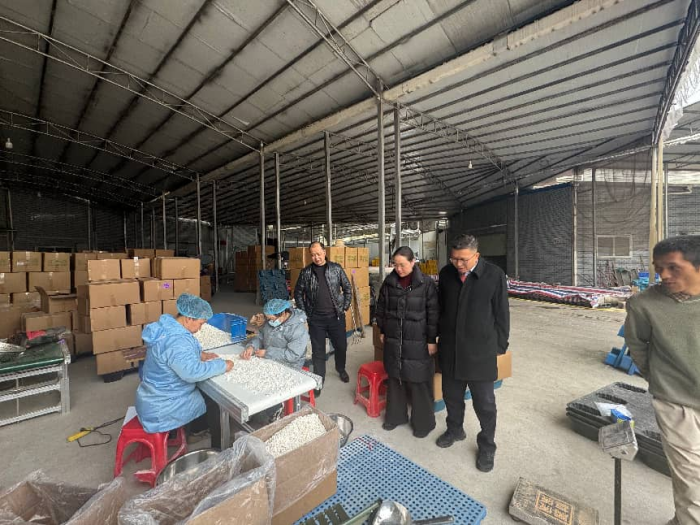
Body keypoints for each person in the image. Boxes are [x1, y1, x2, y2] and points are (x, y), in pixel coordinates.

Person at [624, 235, 700, 525]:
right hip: (676, 404)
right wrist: (658, 380)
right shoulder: (644, 304)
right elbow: (637, 345)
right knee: (692, 484)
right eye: (659, 269)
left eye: (673, 267)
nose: (663, 275)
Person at [436, 234, 509, 473]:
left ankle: (487, 445)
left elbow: (502, 313)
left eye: (464, 259)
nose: (458, 264)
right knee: (451, 396)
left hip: (480, 352)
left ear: (476, 256)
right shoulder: (446, 274)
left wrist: (499, 346)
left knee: (485, 404)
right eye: (454, 259)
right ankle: (455, 429)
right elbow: (440, 308)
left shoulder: (494, 275)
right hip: (451, 349)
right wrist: (435, 337)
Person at [135, 294, 233, 443]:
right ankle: (213, 443)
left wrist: (200, 354)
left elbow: (174, 356)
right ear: (188, 318)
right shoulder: (177, 341)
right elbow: (192, 373)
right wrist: (223, 365)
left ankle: (196, 428)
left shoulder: (167, 328)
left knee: (205, 392)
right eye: (200, 324)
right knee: (216, 401)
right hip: (164, 406)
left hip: (152, 395)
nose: (200, 329)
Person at [376, 246, 439, 438]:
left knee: (419, 381)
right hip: (394, 339)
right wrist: (382, 329)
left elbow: (433, 314)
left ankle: (423, 423)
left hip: (418, 340)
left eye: (402, 265)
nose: (399, 269)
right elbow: (381, 308)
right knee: (396, 378)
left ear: (413, 262)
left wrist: (431, 339)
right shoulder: (389, 282)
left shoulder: (426, 284)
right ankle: (396, 417)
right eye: (395, 265)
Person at [294, 241, 353, 392]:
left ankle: (341, 368)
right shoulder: (306, 272)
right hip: (316, 320)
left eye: (319, 254)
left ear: (324, 252)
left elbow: (347, 288)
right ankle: (319, 380)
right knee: (318, 351)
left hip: (336, 317)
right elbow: (298, 293)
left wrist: (344, 307)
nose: (316, 257)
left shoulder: (336, 269)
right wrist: (306, 314)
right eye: (313, 255)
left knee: (341, 346)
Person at [241, 299, 309, 370]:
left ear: (283, 313)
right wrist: (252, 347)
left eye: (272, 319)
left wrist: (267, 353)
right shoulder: (272, 321)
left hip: (289, 366)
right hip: (269, 359)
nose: (269, 321)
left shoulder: (297, 329)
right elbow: (261, 336)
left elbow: (293, 355)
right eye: (268, 318)